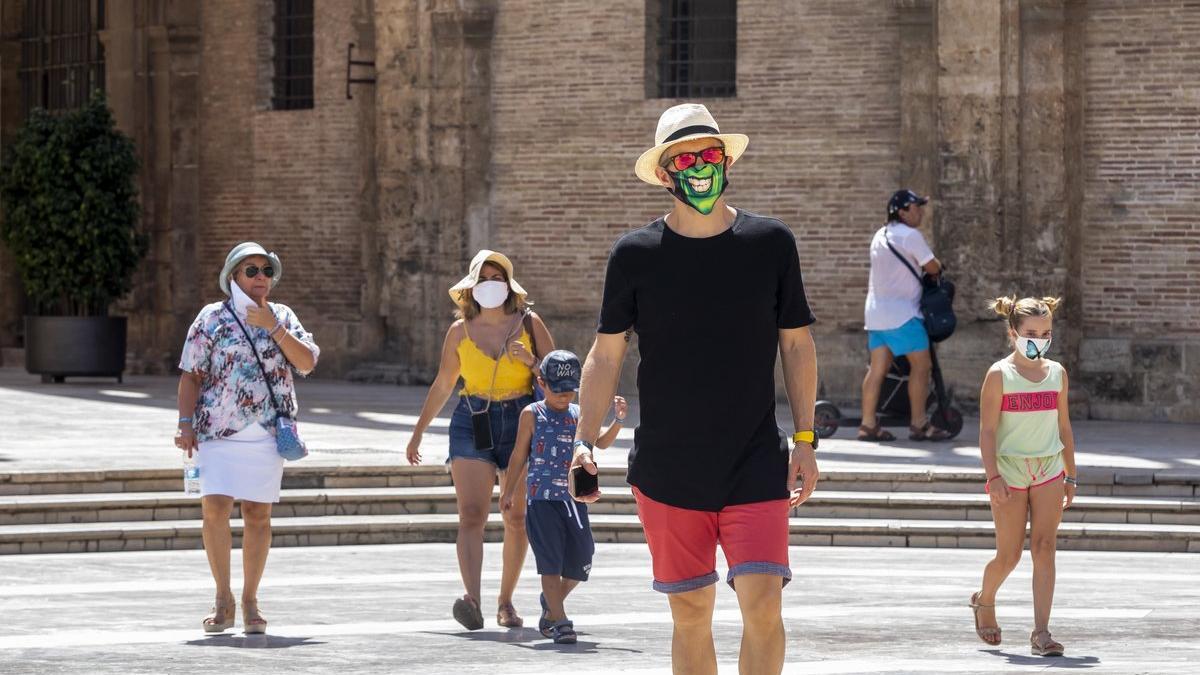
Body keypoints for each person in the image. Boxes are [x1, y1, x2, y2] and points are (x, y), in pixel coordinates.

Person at [570, 103, 820, 675]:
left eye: (710, 155)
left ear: (726, 161)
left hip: (755, 459)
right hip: (668, 466)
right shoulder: (634, 256)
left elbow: (798, 346)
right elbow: (606, 353)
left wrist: (805, 438)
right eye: (685, 159)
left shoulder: (771, 243)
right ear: (664, 174)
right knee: (690, 612)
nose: (700, 167)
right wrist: (583, 440)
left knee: (763, 603)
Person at [175, 242, 320, 634]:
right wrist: (184, 423)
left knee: (258, 515)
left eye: (266, 271)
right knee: (215, 510)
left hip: (267, 432)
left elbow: (306, 362)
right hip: (218, 430)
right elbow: (190, 374)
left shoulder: (283, 315)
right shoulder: (211, 318)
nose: (260, 278)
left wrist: (272, 326)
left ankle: (251, 598)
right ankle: (223, 597)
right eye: (251, 271)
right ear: (234, 277)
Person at [405, 249, 554, 630]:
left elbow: (559, 381)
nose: (491, 285)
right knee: (471, 515)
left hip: (521, 421)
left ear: (509, 285)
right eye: (484, 278)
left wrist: (532, 363)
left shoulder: (530, 324)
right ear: (473, 286)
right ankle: (472, 599)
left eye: (497, 278)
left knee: (516, 517)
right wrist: (419, 431)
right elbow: (443, 383)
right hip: (472, 421)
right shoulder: (459, 331)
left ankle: (506, 601)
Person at [970, 295, 1076, 657]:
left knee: (1045, 548)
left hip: (1049, 468)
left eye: (1046, 332)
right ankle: (984, 600)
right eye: (1031, 332)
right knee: (1009, 556)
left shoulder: (1058, 373)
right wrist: (993, 476)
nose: (1040, 339)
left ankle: (1042, 633)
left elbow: (1063, 425)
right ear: (1013, 331)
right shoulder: (999, 375)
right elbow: (987, 431)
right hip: (1010, 471)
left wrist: (1071, 475)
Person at [499, 350, 626, 644]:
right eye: (557, 391)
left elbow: (600, 442)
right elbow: (519, 454)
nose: (564, 397)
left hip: (574, 499)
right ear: (541, 383)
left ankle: (550, 603)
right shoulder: (532, 414)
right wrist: (508, 491)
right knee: (550, 563)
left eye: (569, 392)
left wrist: (618, 421)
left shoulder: (580, 414)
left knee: (582, 562)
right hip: (541, 501)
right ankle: (560, 621)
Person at [859, 189, 952, 442]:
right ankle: (919, 424)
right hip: (903, 316)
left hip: (876, 315)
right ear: (901, 212)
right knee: (922, 367)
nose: (920, 212)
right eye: (916, 208)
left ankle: (867, 424)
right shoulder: (910, 235)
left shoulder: (880, 235)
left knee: (877, 369)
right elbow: (932, 266)